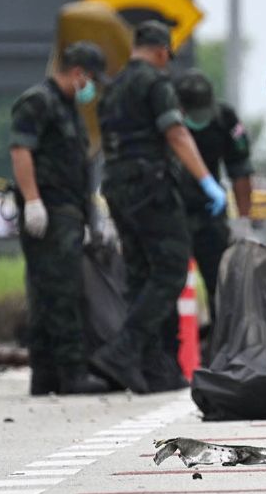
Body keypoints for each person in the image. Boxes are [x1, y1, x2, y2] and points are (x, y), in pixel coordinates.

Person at [93, 22, 228, 394]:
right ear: (161, 51)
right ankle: (124, 349)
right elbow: (176, 133)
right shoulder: (155, 84)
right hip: (150, 187)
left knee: (140, 274)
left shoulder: (113, 87)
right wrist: (205, 180)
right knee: (170, 268)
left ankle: (153, 369)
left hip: (117, 188)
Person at [9, 41, 111, 395]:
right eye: (93, 79)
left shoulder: (68, 109)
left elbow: (78, 167)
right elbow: (21, 150)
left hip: (67, 213)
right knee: (61, 291)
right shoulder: (40, 101)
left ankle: (46, 375)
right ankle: (70, 374)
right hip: (47, 212)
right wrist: (33, 201)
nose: (93, 88)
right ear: (79, 73)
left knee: (49, 292)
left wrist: (89, 216)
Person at [173, 70, 254, 335]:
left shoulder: (224, 119)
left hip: (210, 212)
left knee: (222, 284)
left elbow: (240, 169)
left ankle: (224, 348)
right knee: (166, 284)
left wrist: (242, 221)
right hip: (172, 211)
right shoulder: (165, 122)